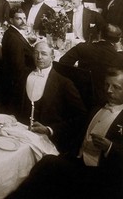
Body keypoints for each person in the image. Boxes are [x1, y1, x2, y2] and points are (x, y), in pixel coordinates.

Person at [8, 69, 123, 199]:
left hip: (100, 176)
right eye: (107, 85)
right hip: (77, 160)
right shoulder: (98, 106)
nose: (109, 90)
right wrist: (48, 129)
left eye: (116, 87)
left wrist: (110, 147)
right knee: (40, 167)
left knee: (47, 166)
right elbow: (75, 125)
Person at [16, 41, 87, 154]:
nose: (39, 57)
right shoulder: (24, 75)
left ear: (52, 57)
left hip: (48, 142)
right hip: (19, 136)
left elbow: (81, 117)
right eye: (36, 53)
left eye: (44, 54)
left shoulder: (64, 83)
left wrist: (50, 130)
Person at [60, 24, 123, 107]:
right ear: (118, 40)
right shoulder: (119, 57)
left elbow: (62, 63)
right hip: (105, 98)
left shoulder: (82, 47)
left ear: (100, 35)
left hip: (78, 93)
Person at [0, 8, 35, 113]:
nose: (23, 21)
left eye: (24, 18)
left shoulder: (13, 32)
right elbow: (18, 67)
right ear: (11, 20)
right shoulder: (13, 38)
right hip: (17, 83)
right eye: (19, 19)